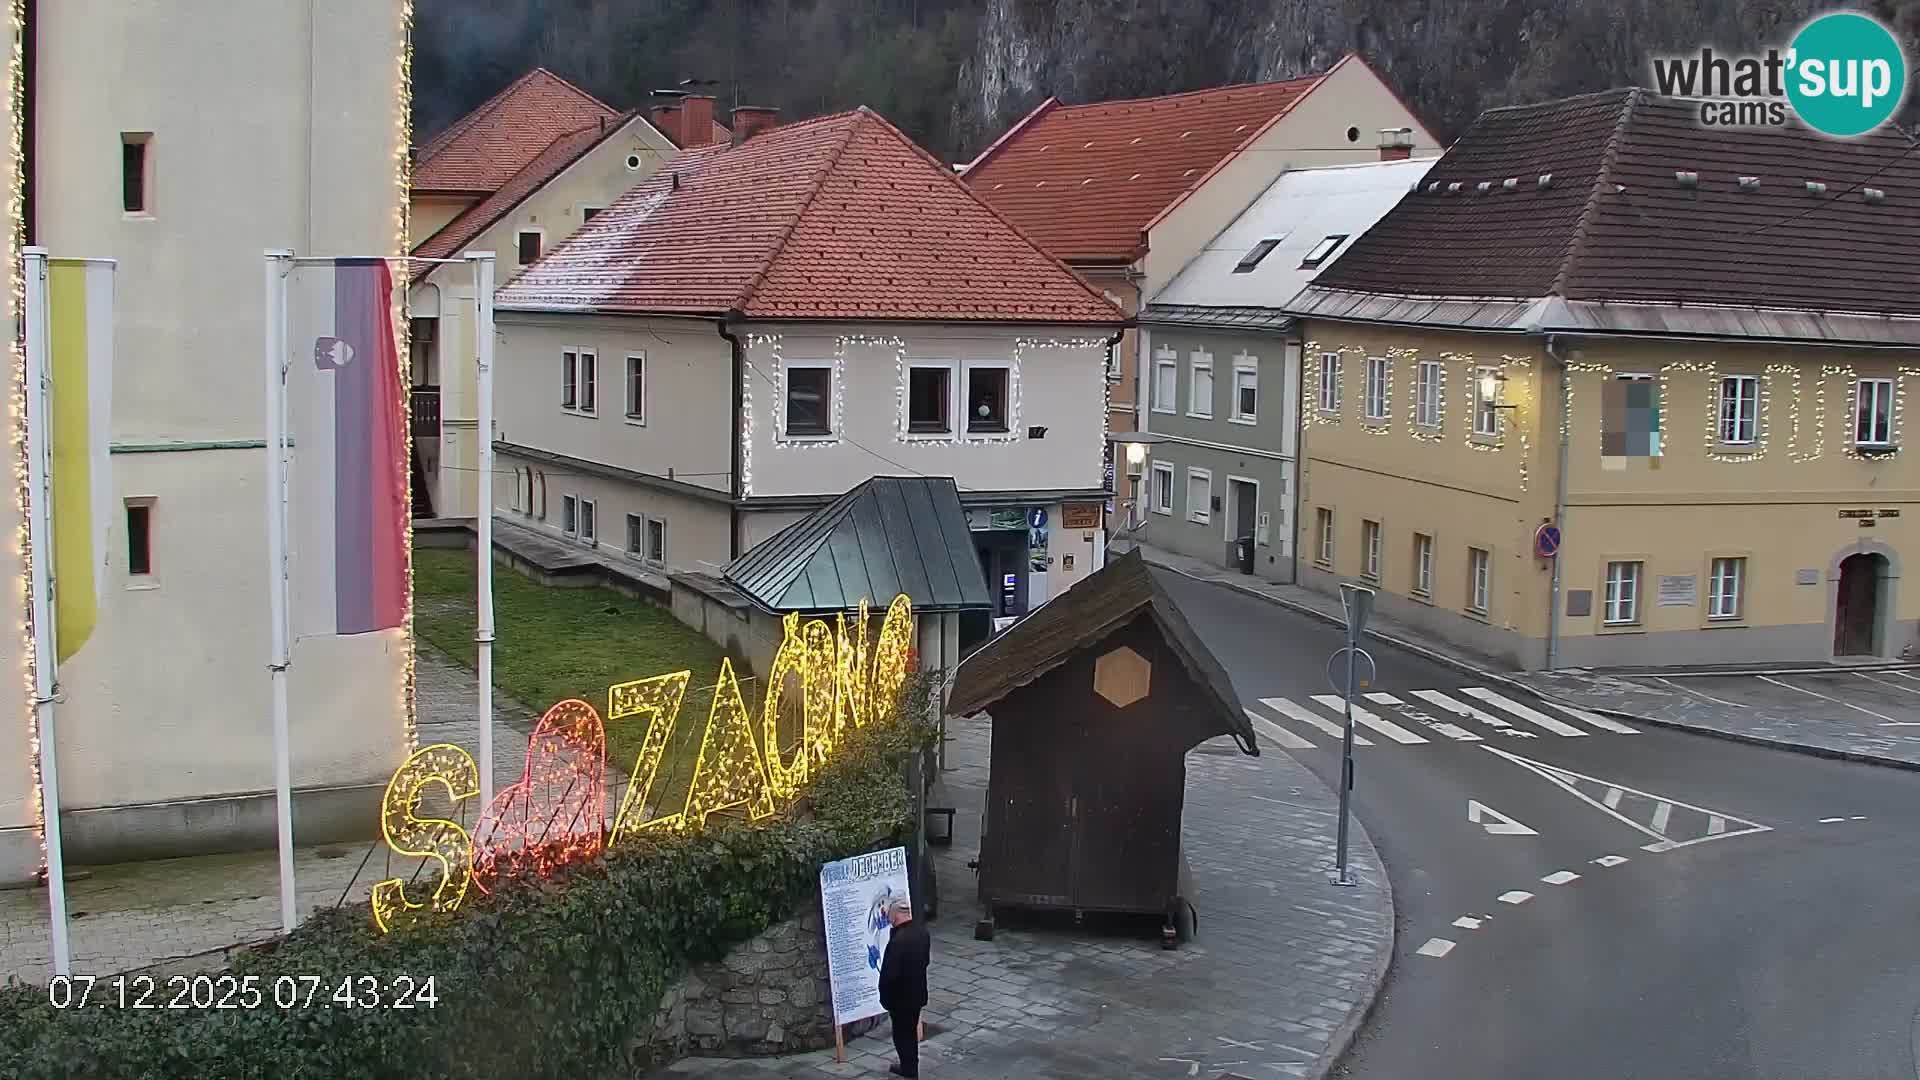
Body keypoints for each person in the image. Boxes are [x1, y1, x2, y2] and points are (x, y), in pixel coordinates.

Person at [877, 895, 930, 1078]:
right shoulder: (922, 933)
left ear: (896, 914)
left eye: (890, 915)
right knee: (910, 1034)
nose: (889, 918)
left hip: (900, 1000)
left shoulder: (898, 941)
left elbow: (889, 975)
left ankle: (909, 1071)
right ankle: (910, 1068)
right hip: (917, 995)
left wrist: (885, 999)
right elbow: (926, 961)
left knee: (902, 1037)